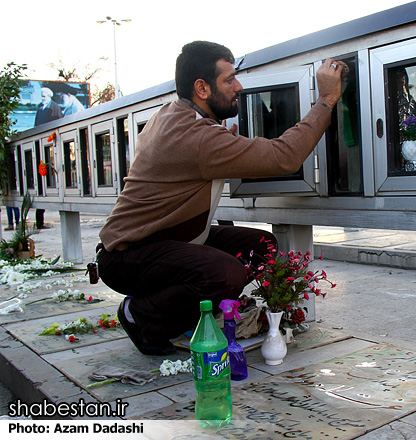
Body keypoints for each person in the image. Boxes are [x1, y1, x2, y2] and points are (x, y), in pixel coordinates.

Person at [97, 41, 347, 355]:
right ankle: (142, 315)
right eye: (229, 80)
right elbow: (285, 157)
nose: (238, 87)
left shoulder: (176, 115)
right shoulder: (196, 136)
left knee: (262, 248)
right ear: (201, 88)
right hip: (128, 255)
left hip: (169, 239)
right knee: (225, 273)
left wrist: (225, 136)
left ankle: (198, 313)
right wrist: (326, 99)